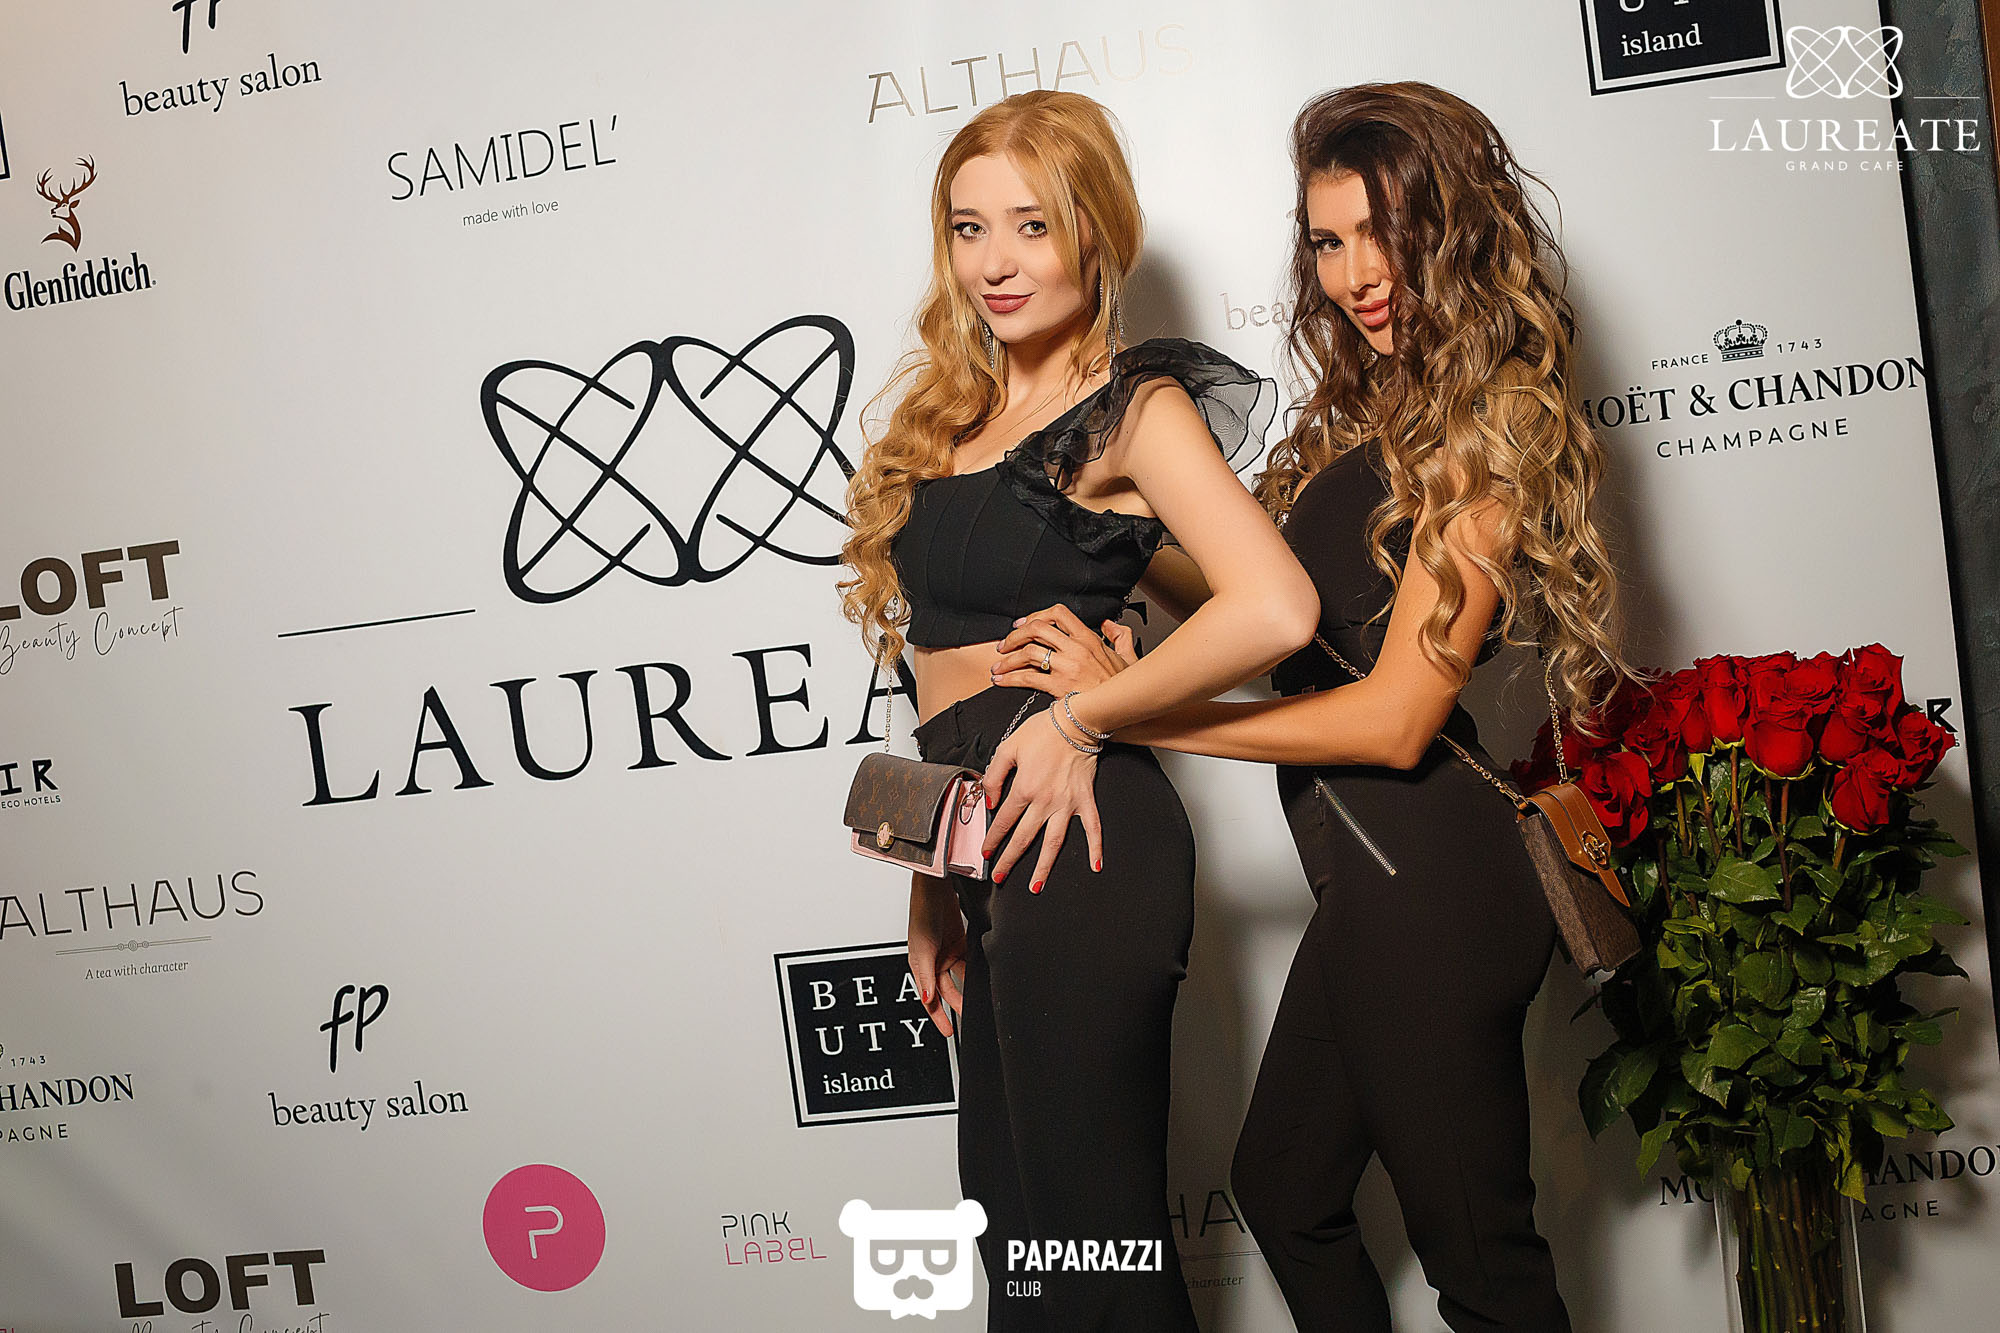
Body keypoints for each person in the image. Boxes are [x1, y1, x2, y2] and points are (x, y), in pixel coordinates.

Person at [994, 83, 1630, 1332]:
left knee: (1482, 1266)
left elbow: (1393, 719)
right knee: (1285, 1191)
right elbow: (1285, 623)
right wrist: (1127, 522)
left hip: (1435, 881)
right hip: (1369, 880)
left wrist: (1125, 713)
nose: (1355, 275)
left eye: (1382, 234)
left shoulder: (1491, 417)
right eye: (1328, 241)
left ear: (1451, 230)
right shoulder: (1379, 410)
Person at [838, 90, 1318, 1330]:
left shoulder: (1131, 411)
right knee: (1015, 1230)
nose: (995, 263)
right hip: (978, 834)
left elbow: (1273, 606)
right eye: (968, 229)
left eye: (1032, 226)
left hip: (1079, 829)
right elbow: (938, 676)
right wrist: (930, 877)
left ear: (1094, 232)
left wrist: (1084, 719)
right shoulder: (947, 419)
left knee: (1090, 1241)